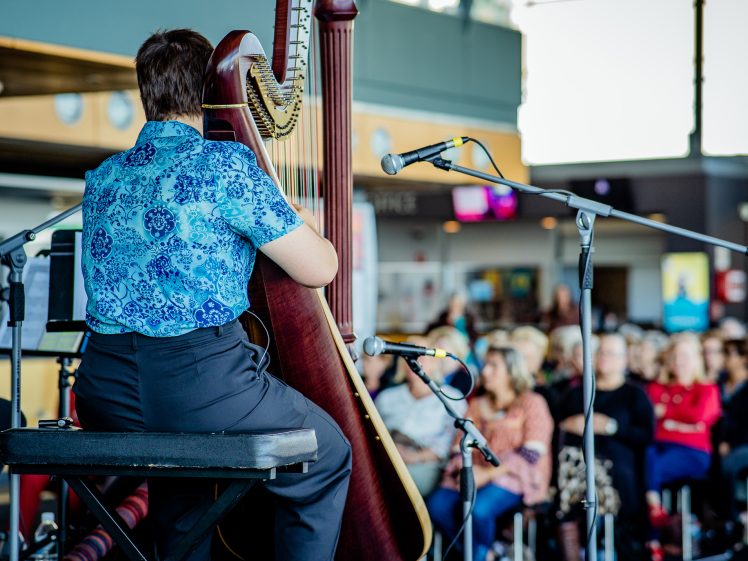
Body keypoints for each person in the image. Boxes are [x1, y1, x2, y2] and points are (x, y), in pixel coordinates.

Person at [73, 29, 351, 561]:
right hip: (199, 386)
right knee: (328, 453)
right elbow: (320, 269)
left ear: (145, 92)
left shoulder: (104, 176)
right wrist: (303, 223)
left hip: (104, 390)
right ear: (214, 90)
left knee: (184, 480)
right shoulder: (223, 166)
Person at [427, 346, 553, 561]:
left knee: (479, 509)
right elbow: (458, 445)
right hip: (472, 473)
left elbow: (532, 453)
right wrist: (466, 468)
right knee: (437, 507)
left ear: (512, 371)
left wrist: (488, 474)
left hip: (514, 476)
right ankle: (488, 553)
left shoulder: (532, 402)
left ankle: (480, 554)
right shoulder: (477, 404)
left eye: (494, 366)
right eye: (486, 365)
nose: (485, 372)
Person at [557, 333, 655, 561]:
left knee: (609, 476)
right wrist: (571, 425)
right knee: (570, 470)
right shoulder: (576, 393)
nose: (604, 358)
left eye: (611, 353)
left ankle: (609, 543)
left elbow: (645, 435)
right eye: (601, 352)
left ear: (624, 360)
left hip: (618, 466)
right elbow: (559, 425)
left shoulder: (634, 395)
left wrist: (612, 427)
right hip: (575, 464)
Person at [644, 333, 721, 535]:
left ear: (696, 359)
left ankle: (654, 523)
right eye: (675, 356)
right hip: (658, 448)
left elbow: (700, 417)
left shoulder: (707, 389)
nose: (679, 362)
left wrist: (667, 416)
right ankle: (654, 515)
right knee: (646, 456)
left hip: (693, 452)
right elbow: (649, 419)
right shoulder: (656, 388)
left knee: (650, 465)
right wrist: (681, 424)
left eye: (685, 356)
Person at [374, 336, 467, 496]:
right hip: (386, 458)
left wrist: (415, 457)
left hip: (425, 464)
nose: (415, 359)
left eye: (421, 354)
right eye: (408, 354)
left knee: (397, 484)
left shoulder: (451, 398)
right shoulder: (387, 397)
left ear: (435, 362)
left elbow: (450, 443)